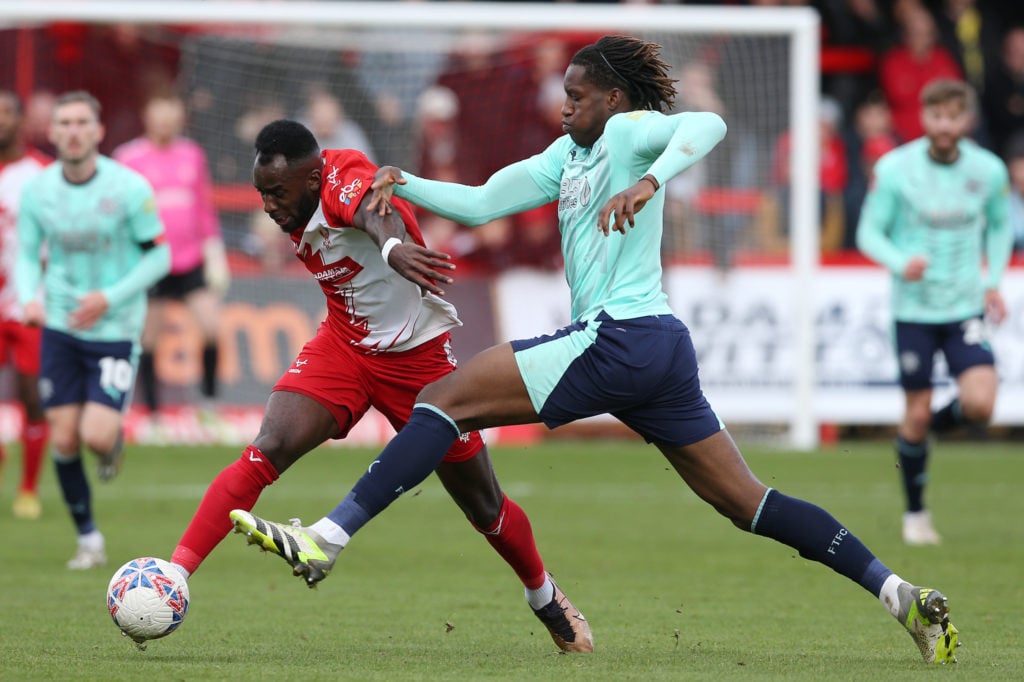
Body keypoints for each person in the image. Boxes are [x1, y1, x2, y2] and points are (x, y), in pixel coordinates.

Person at [232, 35, 960, 664]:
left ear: (613, 99)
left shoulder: (627, 133)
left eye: (578, 96)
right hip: (657, 351)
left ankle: (328, 536)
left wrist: (649, 180)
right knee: (747, 502)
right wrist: (406, 181)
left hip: (618, 337)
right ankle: (901, 596)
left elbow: (705, 125)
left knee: (440, 403)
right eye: (564, 96)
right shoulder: (566, 156)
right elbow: (485, 200)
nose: (565, 106)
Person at [170, 119, 593, 654]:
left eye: (278, 193)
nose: (269, 206)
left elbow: (373, 212)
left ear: (311, 178)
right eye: (261, 193)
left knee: (484, 504)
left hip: (417, 362)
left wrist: (393, 248)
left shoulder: (343, 173)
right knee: (269, 445)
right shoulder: (292, 205)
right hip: (342, 347)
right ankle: (174, 575)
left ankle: (544, 596)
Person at [15, 90, 171, 568]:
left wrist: (110, 297)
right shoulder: (38, 191)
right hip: (61, 325)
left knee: (96, 437)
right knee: (63, 437)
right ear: (53, 131)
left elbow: (160, 254)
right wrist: (28, 299)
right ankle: (89, 539)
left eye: (83, 122)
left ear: (99, 131)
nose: (74, 131)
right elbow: (25, 252)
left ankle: (111, 445)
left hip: (115, 325)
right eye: (64, 123)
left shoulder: (128, 187)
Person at [856, 79, 1012, 546]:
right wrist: (902, 262)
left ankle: (923, 433)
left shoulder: (989, 171)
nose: (944, 126)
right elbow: (869, 232)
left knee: (982, 405)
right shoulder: (896, 169)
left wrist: (993, 281)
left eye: (953, 117)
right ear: (924, 118)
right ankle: (916, 514)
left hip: (964, 305)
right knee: (916, 412)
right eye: (936, 117)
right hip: (914, 310)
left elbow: (1000, 226)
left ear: (967, 119)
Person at [113, 91, 229, 427]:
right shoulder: (128, 158)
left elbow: (203, 208)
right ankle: (153, 415)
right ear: (147, 117)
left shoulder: (192, 155)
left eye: (171, 116)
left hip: (190, 260)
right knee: (149, 338)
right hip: (151, 262)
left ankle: (209, 404)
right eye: (159, 115)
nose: (165, 123)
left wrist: (215, 253)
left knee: (211, 327)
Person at [0, 90, 51, 520]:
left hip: (29, 302)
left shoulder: (40, 175)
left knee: (32, 396)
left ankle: (29, 488)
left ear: (20, 120)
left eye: (5, 112)